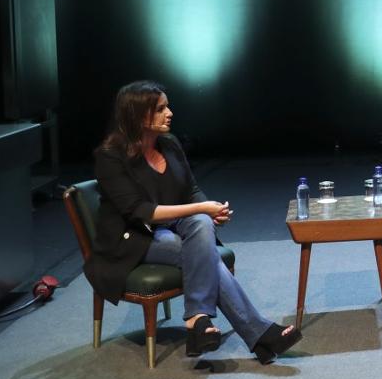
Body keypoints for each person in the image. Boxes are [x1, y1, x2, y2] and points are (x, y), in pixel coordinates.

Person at [86, 80, 301, 364]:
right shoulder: (110, 156)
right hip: (134, 238)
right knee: (206, 253)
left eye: (167, 106)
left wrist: (211, 210)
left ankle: (198, 319)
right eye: (161, 108)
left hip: (172, 228)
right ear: (137, 115)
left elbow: (191, 190)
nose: (170, 113)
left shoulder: (170, 145)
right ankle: (257, 334)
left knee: (200, 221)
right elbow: (140, 211)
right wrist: (201, 208)